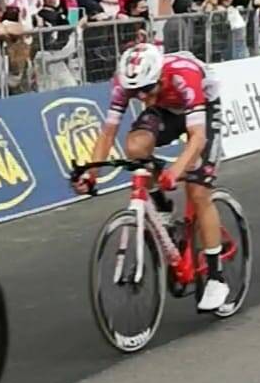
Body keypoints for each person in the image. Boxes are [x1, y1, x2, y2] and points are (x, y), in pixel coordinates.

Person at [76, 43, 230, 311]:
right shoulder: (126, 84)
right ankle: (161, 207)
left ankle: (216, 277)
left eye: (147, 89)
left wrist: (176, 171)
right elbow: (107, 133)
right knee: (135, 147)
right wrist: (91, 173)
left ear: (161, 76)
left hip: (202, 107)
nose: (142, 97)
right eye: (136, 93)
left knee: (197, 190)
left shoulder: (184, 74)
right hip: (167, 109)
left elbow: (197, 138)